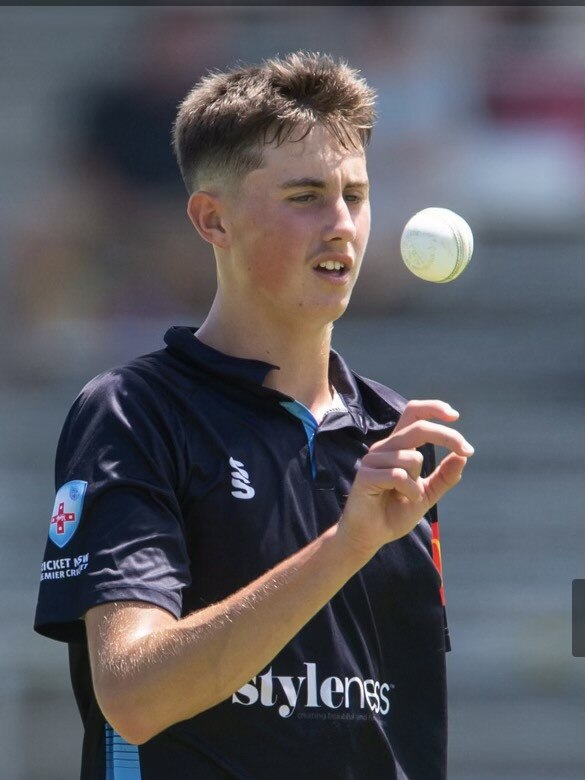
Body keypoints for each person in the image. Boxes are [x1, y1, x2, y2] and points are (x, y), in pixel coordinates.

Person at [34, 51, 474, 780]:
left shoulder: (395, 431)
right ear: (213, 220)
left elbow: (395, 716)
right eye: (304, 195)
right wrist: (345, 545)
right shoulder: (135, 412)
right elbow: (134, 696)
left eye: (355, 196)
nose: (341, 225)